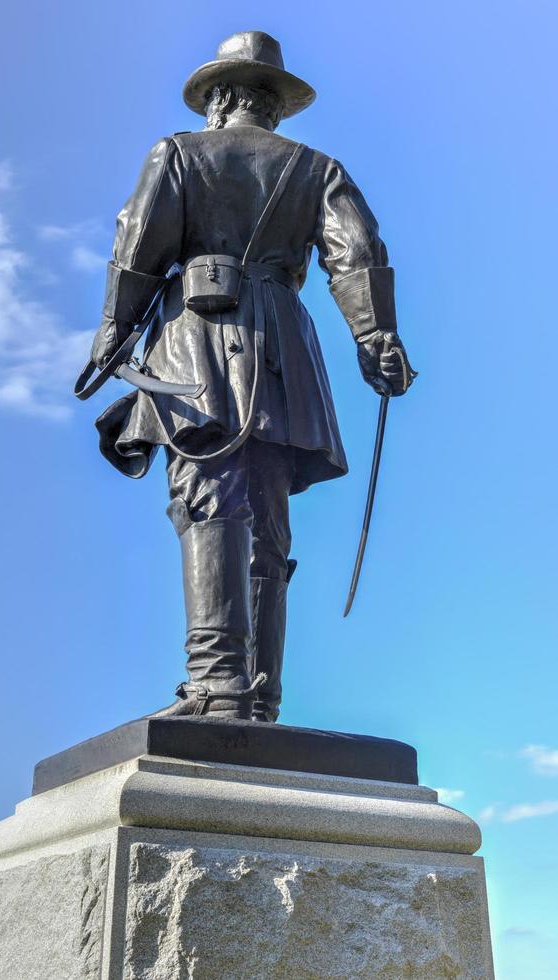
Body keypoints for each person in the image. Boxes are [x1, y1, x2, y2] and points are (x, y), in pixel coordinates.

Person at [86, 32, 416, 722]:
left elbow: (139, 248)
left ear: (219, 99)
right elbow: (355, 255)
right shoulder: (316, 168)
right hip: (280, 354)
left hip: (197, 345)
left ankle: (216, 685)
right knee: (266, 520)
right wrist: (375, 336)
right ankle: (258, 693)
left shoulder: (177, 153)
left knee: (207, 501)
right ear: (270, 104)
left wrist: (113, 331)